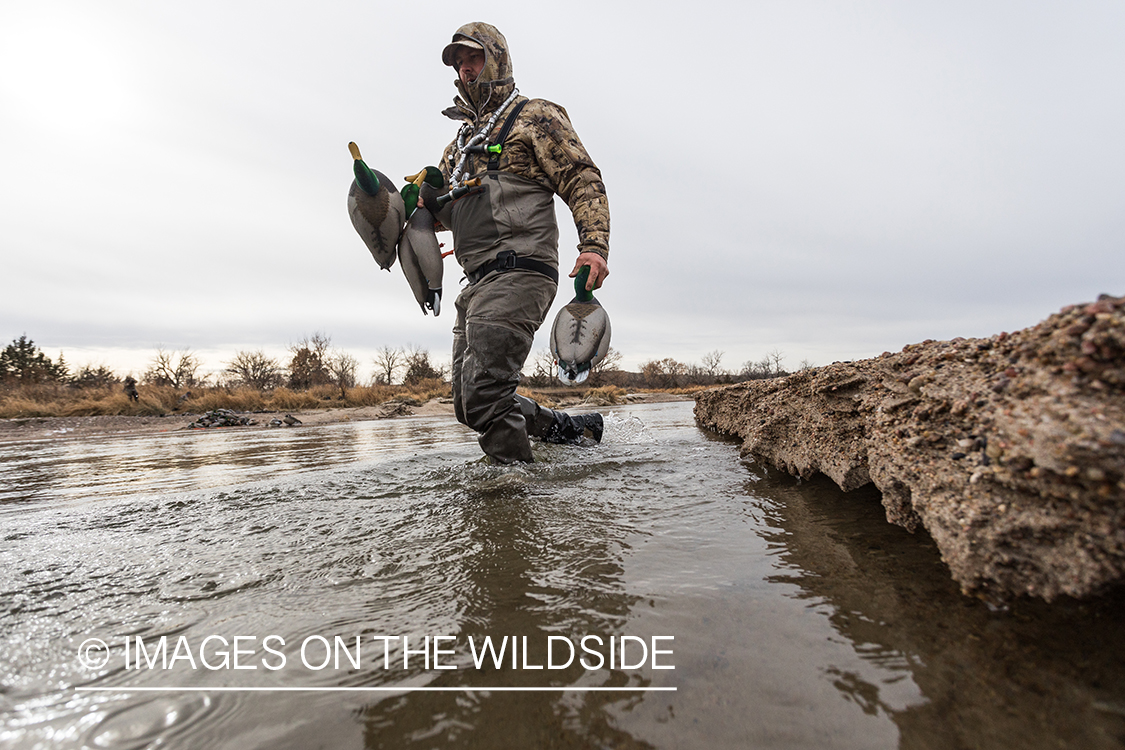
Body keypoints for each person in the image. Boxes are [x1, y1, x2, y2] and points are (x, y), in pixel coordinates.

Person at [428, 21, 611, 464]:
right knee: (467, 403)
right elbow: (439, 218)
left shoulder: (535, 116)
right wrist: (410, 202)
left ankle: (511, 501)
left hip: (522, 270)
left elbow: (580, 177)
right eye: (460, 63)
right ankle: (574, 432)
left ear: (496, 58)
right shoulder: (459, 146)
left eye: (475, 58)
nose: (468, 70)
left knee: (486, 394)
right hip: (476, 284)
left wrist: (594, 245)